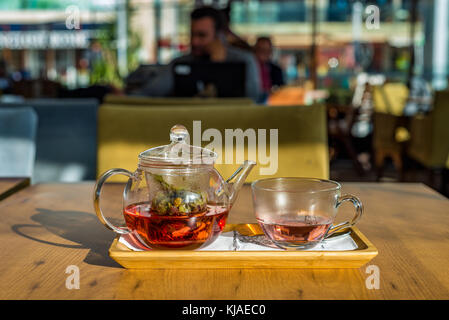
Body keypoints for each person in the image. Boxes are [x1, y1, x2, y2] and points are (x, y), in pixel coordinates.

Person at [136, 6, 261, 101]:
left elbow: (253, 100)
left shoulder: (245, 61)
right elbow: (147, 93)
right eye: (192, 34)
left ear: (219, 36)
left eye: (202, 35)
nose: (195, 42)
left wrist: (217, 66)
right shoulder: (180, 64)